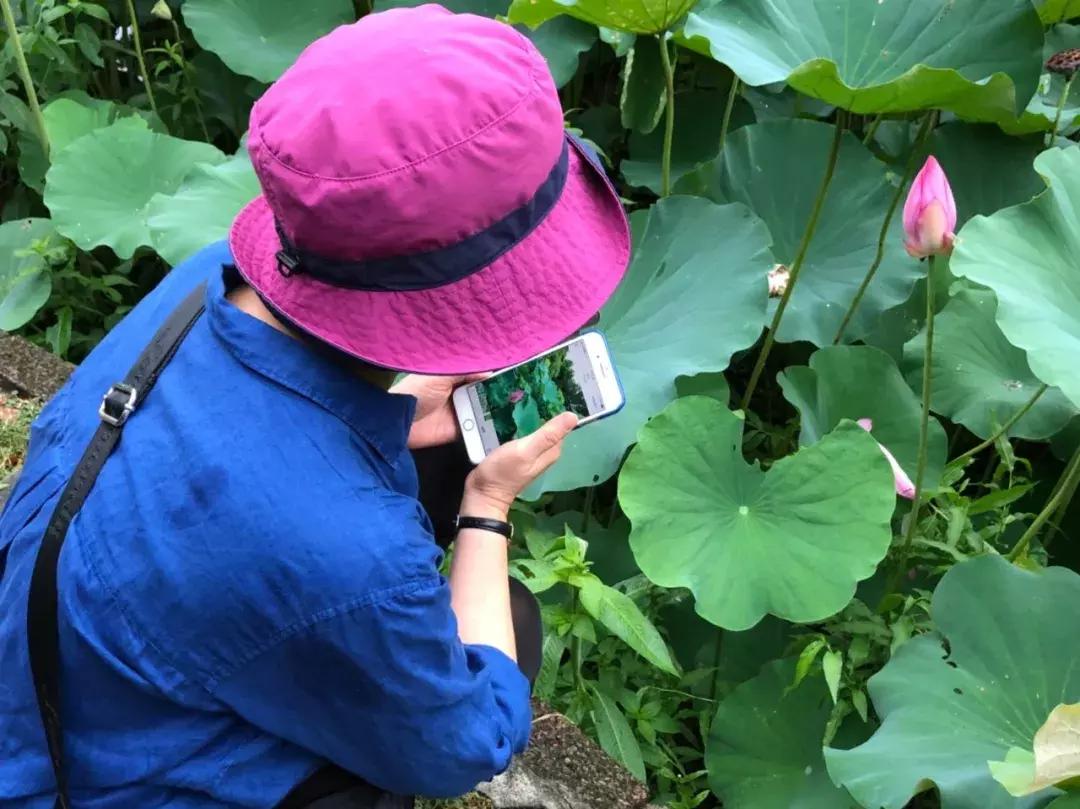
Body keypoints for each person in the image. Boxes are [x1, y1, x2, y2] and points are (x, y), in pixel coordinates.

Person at [0, 6, 630, 808]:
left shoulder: (207, 275)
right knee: (509, 620)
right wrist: (487, 505)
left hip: (53, 677)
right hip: (105, 780)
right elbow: (472, 745)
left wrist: (399, 413)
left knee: (430, 463)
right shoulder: (350, 556)